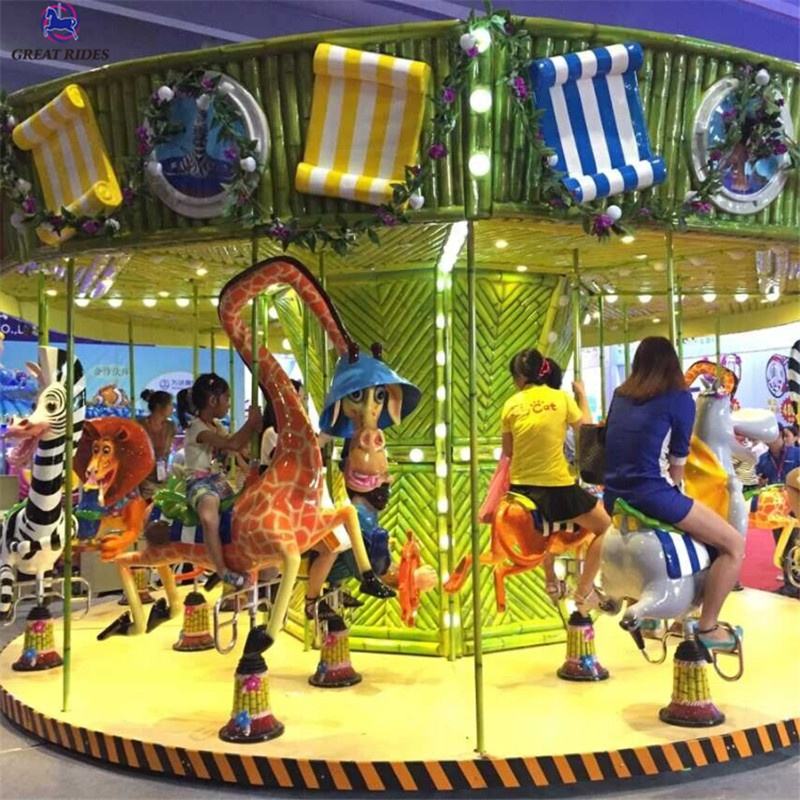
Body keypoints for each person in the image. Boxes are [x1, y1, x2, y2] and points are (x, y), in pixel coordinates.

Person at [604, 337, 744, 652]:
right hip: (652, 494)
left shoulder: (620, 396)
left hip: (613, 498)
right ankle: (708, 626)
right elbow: (678, 463)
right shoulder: (680, 398)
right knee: (733, 544)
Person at [501, 348, 610, 612]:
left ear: (519, 377)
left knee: (547, 529)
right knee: (607, 527)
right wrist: (581, 394)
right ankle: (584, 590)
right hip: (556, 488)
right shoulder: (561, 399)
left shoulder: (511, 404)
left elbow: (508, 451)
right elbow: (585, 430)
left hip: (520, 490)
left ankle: (550, 578)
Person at [178, 373, 261, 587]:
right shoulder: (198, 428)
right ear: (213, 401)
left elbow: (238, 446)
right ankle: (221, 569)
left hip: (218, 481)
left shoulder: (215, 425)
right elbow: (232, 444)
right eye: (227, 398)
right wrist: (250, 423)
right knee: (209, 516)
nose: (229, 403)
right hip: (199, 482)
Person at [138, 390, 176, 501]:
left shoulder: (171, 426)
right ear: (159, 406)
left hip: (161, 476)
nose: (172, 408)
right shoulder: (140, 425)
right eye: (170, 404)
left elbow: (167, 452)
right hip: (142, 478)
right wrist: (140, 480)